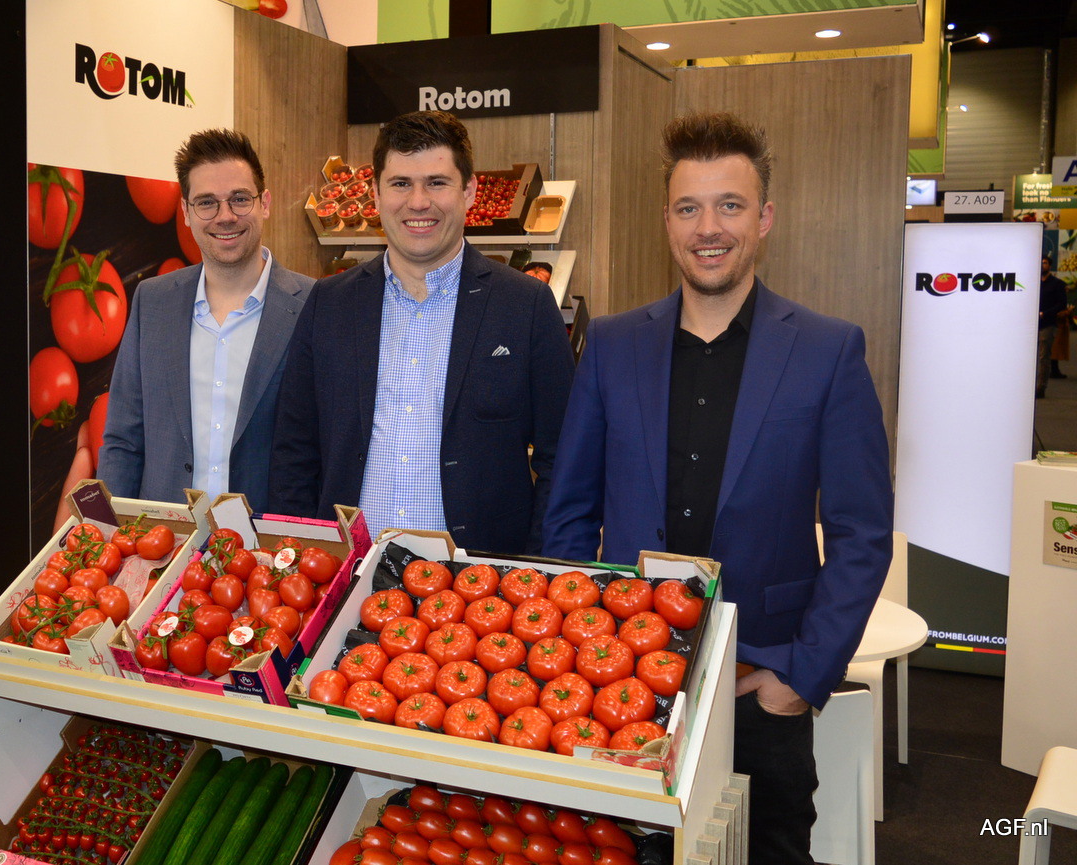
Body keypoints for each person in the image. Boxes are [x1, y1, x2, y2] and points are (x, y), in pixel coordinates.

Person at [542, 112, 893, 865]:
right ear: (667, 221)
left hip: (761, 685)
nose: (709, 227)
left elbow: (862, 533)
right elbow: (568, 511)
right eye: (689, 207)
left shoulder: (828, 350)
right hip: (621, 684)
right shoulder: (611, 345)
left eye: (730, 205)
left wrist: (799, 675)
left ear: (764, 218)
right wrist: (583, 643)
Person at [269, 110, 574, 553]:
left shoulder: (525, 306)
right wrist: (300, 555)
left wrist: (533, 566)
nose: (417, 202)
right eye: (400, 183)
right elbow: (294, 451)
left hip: (476, 580)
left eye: (436, 182)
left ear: (468, 191)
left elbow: (562, 458)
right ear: (376, 194)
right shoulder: (329, 303)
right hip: (349, 571)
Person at [99, 128, 313, 510]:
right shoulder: (152, 301)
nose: (225, 216)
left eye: (239, 199)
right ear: (185, 212)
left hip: (267, 540)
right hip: (164, 536)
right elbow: (123, 439)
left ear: (264, 203)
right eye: (206, 203)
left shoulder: (314, 305)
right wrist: (110, 530)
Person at [1038, 255, 1068, 398]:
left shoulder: (1057, 284)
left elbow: (1062, 304)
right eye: (1040, 263)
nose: (1042, 265)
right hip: (1032, 325)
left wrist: (1046, 313)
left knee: (1044, 357)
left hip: (1048, 324)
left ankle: (1041, 387)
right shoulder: (1034, 283)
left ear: (1049, 265)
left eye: (1045, 263)